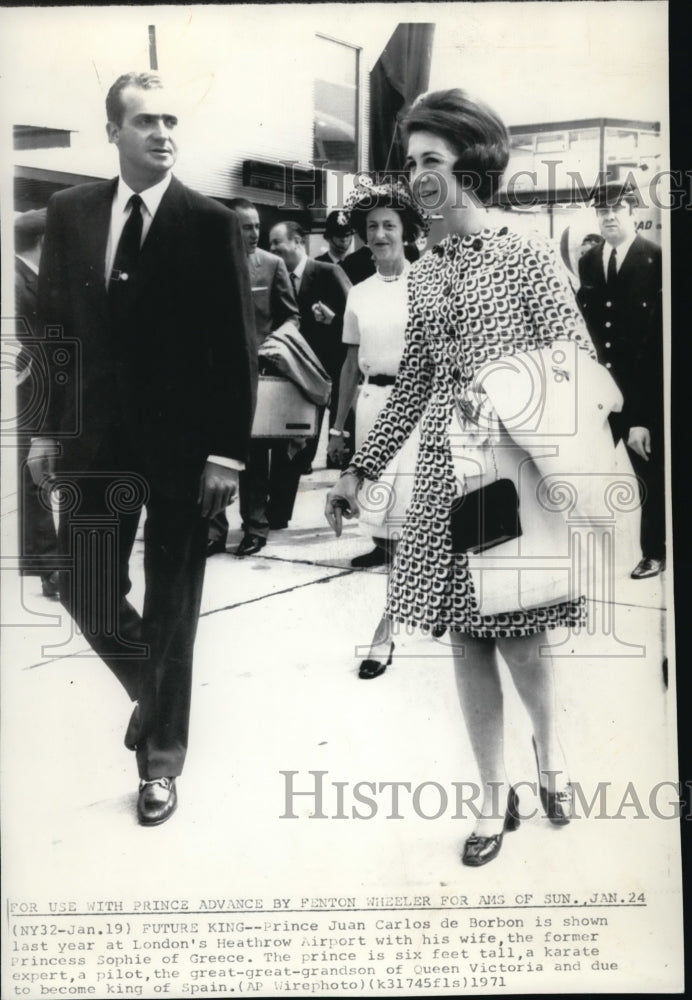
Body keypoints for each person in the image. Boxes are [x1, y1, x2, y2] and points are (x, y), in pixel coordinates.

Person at [325, 88, 613, 867]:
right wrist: (361, 467)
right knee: (463, 639)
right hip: (446, 480)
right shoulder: (421, 273)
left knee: (519, 637)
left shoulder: (526, 254)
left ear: (471, 166)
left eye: (432, 160)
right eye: (411, 161)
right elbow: (415, 380)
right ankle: (493, 798)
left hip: (510, 478)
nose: (417, 176)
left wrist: (509, 391)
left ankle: (550, 759)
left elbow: (578, 360)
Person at [28, 72, 256, 826]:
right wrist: (44, 430)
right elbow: (55, 332)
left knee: (172, 603)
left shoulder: (209, 222)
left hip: (187, 451)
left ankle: (160, 763)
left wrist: (227, 453)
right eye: (145, 121)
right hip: (94, 442)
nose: (163, 132)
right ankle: (155, 696)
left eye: (170, 120)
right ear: (112, 134)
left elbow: (236, 348)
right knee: (83, 585)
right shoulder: (71, 212)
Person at [327, 179, 428, 679]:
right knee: (388, 525)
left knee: (412, 525)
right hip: (371, 407)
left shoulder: (427, 282)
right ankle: (406, 613)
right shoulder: (360, 293)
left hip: (418, 412)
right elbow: (348, 365)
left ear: (406, 232)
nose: (381, 234)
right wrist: (337, 428)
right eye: (373, 227)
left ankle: (385, 633)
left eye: (390, 225)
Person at [578, 181, 664, 579]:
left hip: (639, 388)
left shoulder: (656, 258)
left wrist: (643, 415)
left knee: (647, 475)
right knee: (584, 471)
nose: (609, 216)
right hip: (598, 387)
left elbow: (655, 345)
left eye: (617, 208)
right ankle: (585, 555)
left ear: (632, 211)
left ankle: (654, 551)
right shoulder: (590, 260)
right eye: (602, 210)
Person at [207, 197, 300, 557]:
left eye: (257, 226)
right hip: (214, 377)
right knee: (215, 455)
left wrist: (271, 344)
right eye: (246, 227)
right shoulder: (208, 263)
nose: (255, 233)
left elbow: (291, 316)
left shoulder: (272, 265)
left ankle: (256, 528)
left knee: (254, 457)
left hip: (255, 375)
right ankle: (214, 531)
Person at [268, 221, 351, 500]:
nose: (272, 248)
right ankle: (278, 512)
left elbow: (357, 319)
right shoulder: (275, 275)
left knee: (319, 440)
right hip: (296, 372)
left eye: (277, 242)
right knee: (294, 440)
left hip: (332, 372)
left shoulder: (327, 272)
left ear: (298, 242)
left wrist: (334, 319)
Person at [14, 208, 60, 599]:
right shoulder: (15, 282)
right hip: (25, 398)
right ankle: (49, 568)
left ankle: (45, 565)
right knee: (34, 479)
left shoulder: (29, 278)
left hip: (31, 395)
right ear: (46, 242)